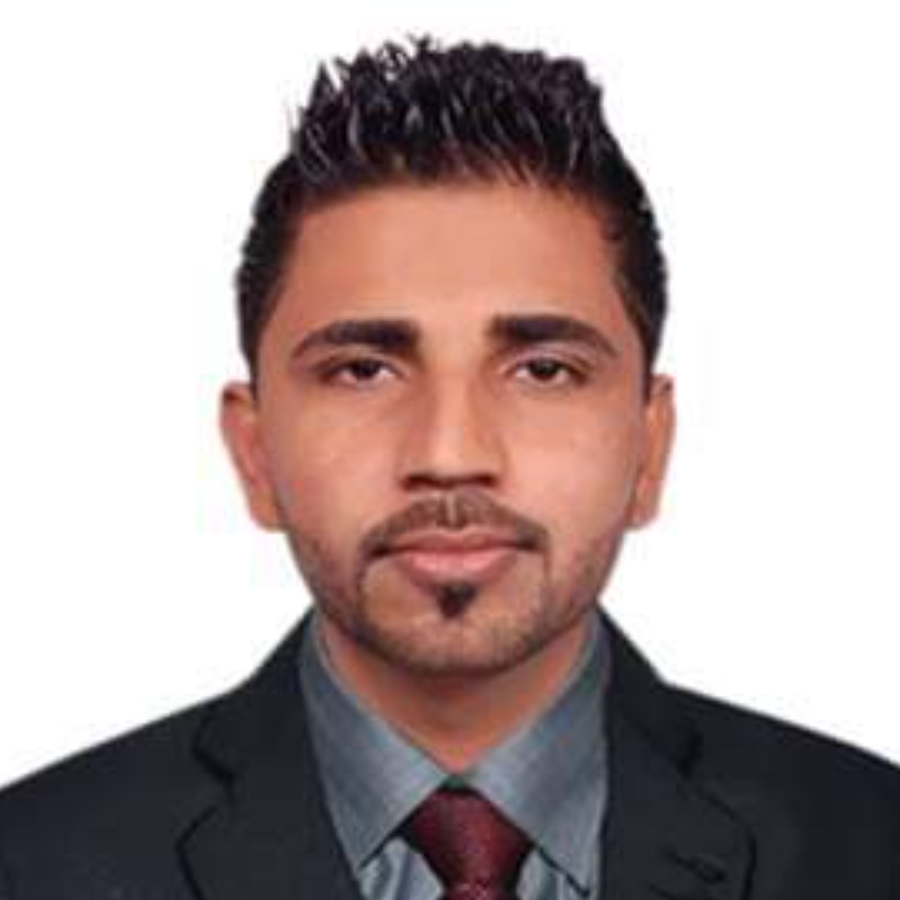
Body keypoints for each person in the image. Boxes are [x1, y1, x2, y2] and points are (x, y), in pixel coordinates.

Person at [0, 32, 898, 900]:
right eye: (363, 370)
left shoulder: (872, 846)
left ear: (650, 446)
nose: (450, 455)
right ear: (254, 451)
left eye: (544, 371)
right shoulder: (29, 863)